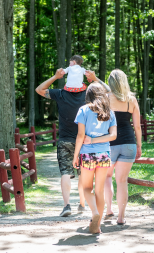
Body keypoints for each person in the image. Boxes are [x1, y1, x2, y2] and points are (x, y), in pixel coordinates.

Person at [85, 69, 142, 225]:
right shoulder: (132, 100)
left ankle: (109, 209)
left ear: (110, 83)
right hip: (129, 142)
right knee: (122, 181)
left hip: (109, 143)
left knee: (106, 178)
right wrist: (139, 145)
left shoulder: (105, 99)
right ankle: (121, 217)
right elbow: (137, 127)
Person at [35, 68, 86, 217]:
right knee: (83, 174)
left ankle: (66, 206)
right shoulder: (87, 94)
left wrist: (55, 76)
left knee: (65, 173)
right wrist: (94, 79)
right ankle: (82, 203)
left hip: (64, 140)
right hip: (83, 141)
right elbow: (107, 92)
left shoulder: (60, 94)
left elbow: (39, 89)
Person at [72, 82, 117, 233]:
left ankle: (95, 214)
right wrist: (97, 140)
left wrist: (76, 155)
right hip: (104, 154)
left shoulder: (83, 110)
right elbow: (113, 136)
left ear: (88, 95)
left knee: (86, 188)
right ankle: (97, 227)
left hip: (88, 155)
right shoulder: (109, 112)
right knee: (99, 191)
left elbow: (80, 136)